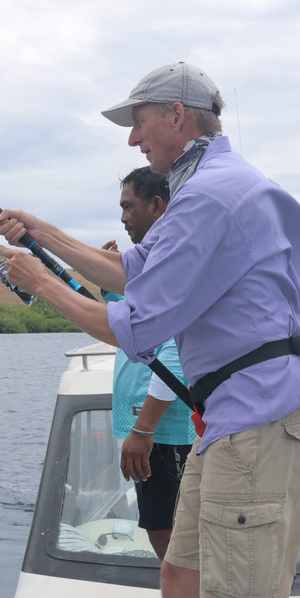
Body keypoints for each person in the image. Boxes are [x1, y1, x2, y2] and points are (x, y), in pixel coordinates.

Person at [0, 62, 300, 598]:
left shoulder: (209, 197)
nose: (132, 138)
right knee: (181, 578)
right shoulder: (208, 188)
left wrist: (41, 283)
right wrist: (42, 233)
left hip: (257, 420)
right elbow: (133, 270)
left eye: (139, 121)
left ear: (176, 116)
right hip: (232, 423)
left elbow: (135, 325)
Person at [102, 166, 195, 562]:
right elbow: (133, 325)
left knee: (168, 536)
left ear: (157, 206)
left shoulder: (171, 269)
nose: (123, 218)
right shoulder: (152, 269)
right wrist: (109, 288)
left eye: (129, 207)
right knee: (160, 528)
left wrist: (143, 430)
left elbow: (174, 357)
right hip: (150, 433)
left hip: (163, 435)